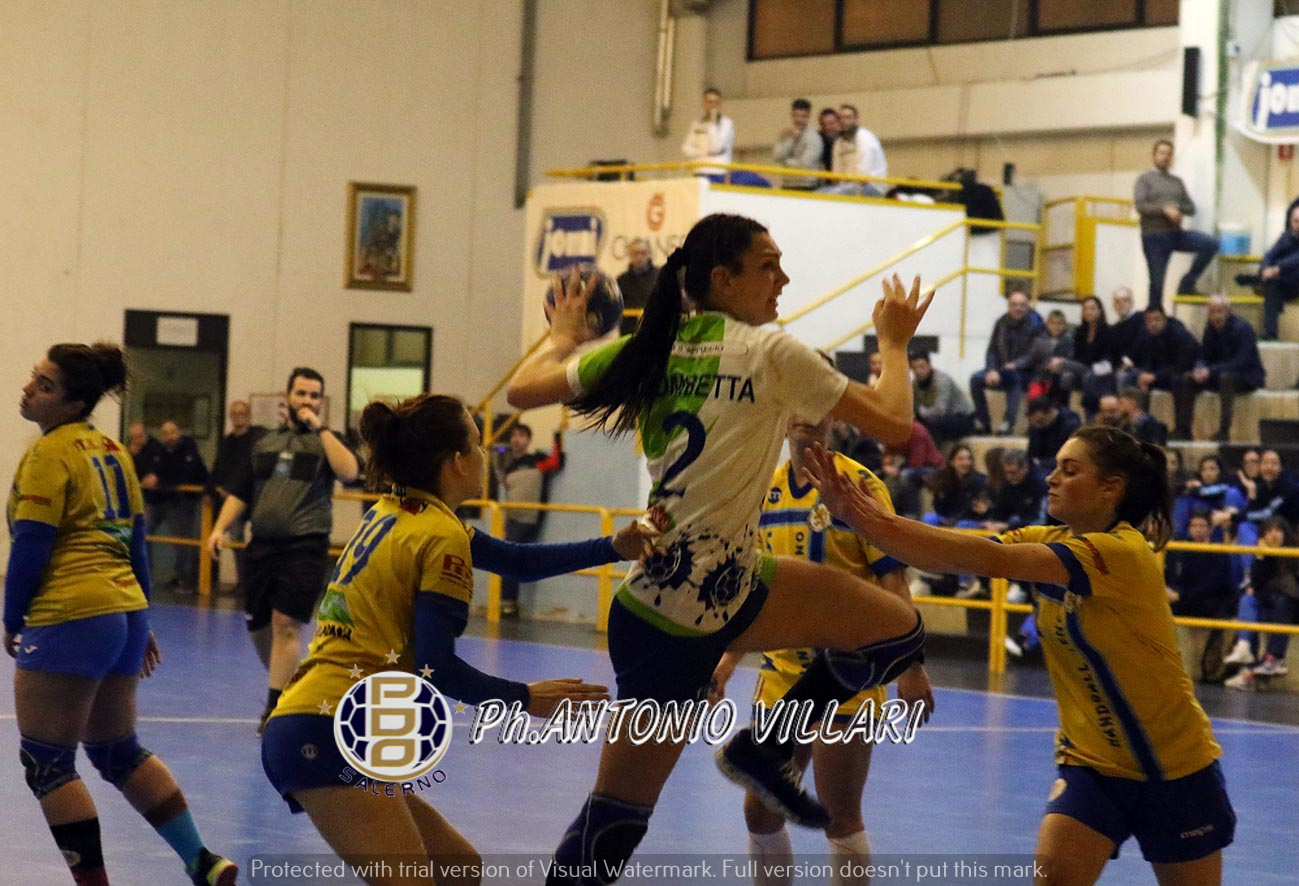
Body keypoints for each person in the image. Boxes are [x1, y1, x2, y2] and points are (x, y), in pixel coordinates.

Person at [506, 213, 931, 878]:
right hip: (680, 614)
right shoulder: (768, 351)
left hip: (710, 587)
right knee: (618, 817)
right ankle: (765, 749)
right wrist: (894, 343)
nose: (783, 278)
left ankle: (767, 748)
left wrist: (562, 337)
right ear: (722, 280)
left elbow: (521, 389)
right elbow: (896, 421)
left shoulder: (650, 348)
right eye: (767, 265)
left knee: (895, 631)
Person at [804, 424, 1235, 884]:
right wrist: (862, 518)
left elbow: (991, 560)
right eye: (1055, 467)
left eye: (1069, 470)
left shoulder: (1120, 552)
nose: (1051, 477)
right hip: (1092, 767)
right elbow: (960, 554)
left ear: (1110, 488)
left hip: (1175, 770)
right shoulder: (1051, 538)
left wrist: (867, 517)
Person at [261, 394, 649, 884]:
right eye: (478, 444)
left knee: (459, 869)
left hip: (320, 720)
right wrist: (526, 698)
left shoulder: (398, 511)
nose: (486, 454)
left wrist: (614, 546)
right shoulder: (440, 535)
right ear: (459, 461)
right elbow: (436, 667)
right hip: (325, 729)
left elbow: (517, 562)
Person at [5, 343, 236, 886]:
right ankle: (202, 861)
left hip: (71, 612)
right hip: (123, 612)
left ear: (73, 403)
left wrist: (12, 617)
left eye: (44, 385)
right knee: (116, 751)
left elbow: (32, 544)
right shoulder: (113, 451)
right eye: (34, 377)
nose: (29, 389)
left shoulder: (49, 454)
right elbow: (136, 544)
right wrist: (142, 618)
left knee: (47, 763)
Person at [709, 405, 932, 886]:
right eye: (798, 401)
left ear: (836, 418)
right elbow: (753, 590)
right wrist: (724, 663)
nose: (808, 414)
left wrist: (911, 667)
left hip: (848, 674)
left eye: (820, 403)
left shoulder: (860, 485)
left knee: (838, 813)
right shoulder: (761, 488)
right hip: (783, 674)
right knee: (759, 812)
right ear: (781, 413)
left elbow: (892, 580)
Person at [206, 368, 360, 733]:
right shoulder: (264, 443)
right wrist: (218, 529)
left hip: (305, 546)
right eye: (301, 394)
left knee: (285, 626)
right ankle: (295, 687)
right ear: (287, 397)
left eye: (314, 396)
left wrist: (321, 428)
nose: (307, 401)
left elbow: (350, 472)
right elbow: (241, 492)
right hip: (261, 546)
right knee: (258, 626)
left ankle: (276, 710)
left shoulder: (328, 441)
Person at [1133, 139, 1218, 310]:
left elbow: (1191, 208)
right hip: (1154, 237)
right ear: (1154, 156)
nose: (1165, 157)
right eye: (1161, 153)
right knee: (1157, 283)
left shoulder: (1177, 182)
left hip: (1176, 234)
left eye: (1168, 154)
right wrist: (1165, 210)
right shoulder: (1144, 179)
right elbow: (1141, 206)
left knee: (1210, 243)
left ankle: (1187, 284)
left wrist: (1177, 208)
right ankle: (1155, 315)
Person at [492, 422, 565, 617]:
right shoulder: (509, 465)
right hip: (511, 518)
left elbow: (555, 462)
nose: (516, 439)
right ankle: (508, 603)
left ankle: (508, 603)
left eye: (521, 435)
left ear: (529, 440)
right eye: (514, 435)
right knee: (510, 558)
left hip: (527, 519)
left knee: (509, 558)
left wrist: (557, 437)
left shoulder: (536, 460)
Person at [1172, 294, 1265, 443]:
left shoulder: (1243, 328)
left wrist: (1211, 371)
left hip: (1245, 376)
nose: (1216, 316)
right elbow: (1203, 355)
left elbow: (1241, 362)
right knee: (1185, 379)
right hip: (1218, 373)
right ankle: (1183, 429)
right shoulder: (1210, 328)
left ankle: (1224, 431)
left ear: (1228, 311)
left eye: (1219, 311)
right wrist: (1199, 368)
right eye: (1212, 311)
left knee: (1226, 378)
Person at [1224, 517, 1298, 691]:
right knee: (1247, 601)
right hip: (1271, 606)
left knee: (1282, 601)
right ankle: (1244, 647)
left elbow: (1291, 591)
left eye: (1278, 530)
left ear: (1285, 533)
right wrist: (1261, 557)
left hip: (1290, 607)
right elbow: (1256, 586)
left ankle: (1272, 659)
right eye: (1269, 531)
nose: (1274, 535)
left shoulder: (1294, 554)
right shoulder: (1262, 554)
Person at [207, 401, 266, 592]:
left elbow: (250, 469)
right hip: (234, 500)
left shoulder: (258, 438)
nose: (239, 417)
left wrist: (232, 487)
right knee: (235, 538)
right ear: (230, 416)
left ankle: (257, 582)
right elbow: (219, 467)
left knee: (261, 540)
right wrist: (214, 489)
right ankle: (243, 581)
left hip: (256, 498)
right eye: (235, 413)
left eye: (242, 413)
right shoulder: (228, 441)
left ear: (249, 415)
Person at [148, 420, 209, 591]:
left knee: (189, 539)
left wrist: (159, 479)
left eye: (173, 432)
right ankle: (178, 576)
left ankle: (189, 579)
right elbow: (156, 468)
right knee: (177, 539)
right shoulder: (161, 451)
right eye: (165, 434)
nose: (170, 437)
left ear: (179, 432)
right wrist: (153, 476)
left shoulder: (189, 448)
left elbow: (184, 473)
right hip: (171, 500)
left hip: (194, 499)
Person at [970, 289, 1040, 435]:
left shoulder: (1035, 325)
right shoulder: (1001, 323)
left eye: (1022, 305)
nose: (1018, 308)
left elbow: (1034, 355)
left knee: (1014, 377)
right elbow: (992, 350)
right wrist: (991, 369)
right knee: (976, 379)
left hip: (1026, 373)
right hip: (1002, 370)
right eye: (1014, 304)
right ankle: (984, 422)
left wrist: (1016, 364)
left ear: (1027, 306)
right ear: (1008, 306)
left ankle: (1008, 423)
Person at [1119, 306, 1200, 404]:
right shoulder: (1148, 334)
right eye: (1149, 320)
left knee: (1178, 379)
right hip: (1157, 373)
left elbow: (1182, 365)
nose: (1153, 324)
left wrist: (1154, 376)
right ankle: (1128, 411)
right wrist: (1143, 374)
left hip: (1179, 373)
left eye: (1157, 319)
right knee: (1124, 376)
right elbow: (1140, 356)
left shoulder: (1179, 334)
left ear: (1165, 319)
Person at [1254, 200, 1299, 340]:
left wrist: (1277, 268)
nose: (1297, 225)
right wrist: (1264, 268)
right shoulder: (1286, 237)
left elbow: (1296, 260)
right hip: (1282, 281)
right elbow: (1270, 254)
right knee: (1272, 285)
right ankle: (1270, 334)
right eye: (1295, 221)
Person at [909, 350, 975, 444]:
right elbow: (914, 407)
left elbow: (940, 410)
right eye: (914, 368)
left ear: (929, 366)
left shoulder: (941, 381)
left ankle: (933, 453)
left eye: (921, 367)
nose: (918, 371)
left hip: (963, 418)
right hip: (939, 417)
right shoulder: (915, 383)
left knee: (933, 425)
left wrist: (920, 412)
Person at [821, 104, 886, 196]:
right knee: (818, 194)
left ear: (856, 120)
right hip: (847, 186)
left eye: (848, 117)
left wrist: (844, 183)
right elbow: (836, 176)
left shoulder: (865, 138)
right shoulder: (838, 143)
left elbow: (863, 177)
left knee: (833, 194)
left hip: (872, 187)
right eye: (840, 118)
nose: (844, 121)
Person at [681, 87, 735, 179]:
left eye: (716, 103)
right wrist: (702, 152)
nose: (712, 106)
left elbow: (716, 147)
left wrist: (713, 124)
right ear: (704, 103)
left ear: (720, 105)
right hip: (699, 170)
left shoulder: (726, 123)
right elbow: (686, 148)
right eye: (709, 102)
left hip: (718, 172)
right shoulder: (697, 124)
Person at [772, 98, 822, 191]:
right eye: (796, 116)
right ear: (791, 115)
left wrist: (785, 163)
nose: (799, 119)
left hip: (807, 186)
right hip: (787, 184)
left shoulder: (814, 137)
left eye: (803, 116)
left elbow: (804, 165)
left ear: (809, 116)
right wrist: (791, 140)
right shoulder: (785, 134)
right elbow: (777, 157)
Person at [1025, 396, 1081, 475]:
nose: (1038, 426)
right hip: (1042, 467)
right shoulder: (1038, 427)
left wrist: (1041, 463)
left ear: (1049, 413)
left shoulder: (1070, 425)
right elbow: (1032, 453)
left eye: (1040, 421)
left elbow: (1070, 457)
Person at [616, 239, 656, 336]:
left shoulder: (660, 277)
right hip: (628, 333)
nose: (639, 257)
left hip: (654, 330)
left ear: (649, 254)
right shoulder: (621, 281)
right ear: (630, 255)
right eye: (635, 253)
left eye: (643, 253)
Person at [816, 107, 840, 173]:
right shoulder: (818, 140)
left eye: (831, 123)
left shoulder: (844, 139)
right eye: (824, 124)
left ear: (838, 123)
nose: (827, 127)